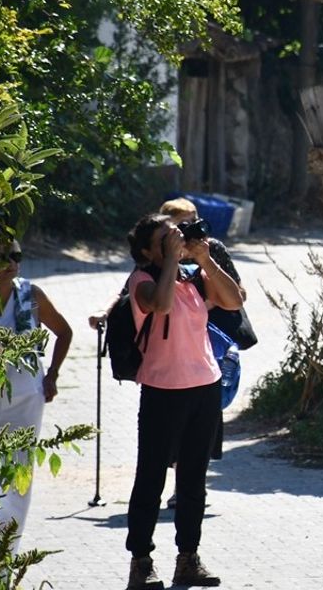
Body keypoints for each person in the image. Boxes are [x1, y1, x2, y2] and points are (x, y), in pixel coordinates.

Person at [123, 213, 244, 589]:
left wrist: (205, 259)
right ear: (146, 251)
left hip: (204, 387)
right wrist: (173, 260)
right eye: (164, 239)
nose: (174, 242)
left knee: (193, 479)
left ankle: (188, 558)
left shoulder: (192, 281)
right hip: (162, 391)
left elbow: (234, 300)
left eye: (175, 237)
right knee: (151, 476)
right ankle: (141, 562)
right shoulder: (141, 281)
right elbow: (158, 306)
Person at [0, 240, 72, 554]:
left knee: (18, 475)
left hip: (26, 397)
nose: (11, 263)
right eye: (3, 256)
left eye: (16, 256)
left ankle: (4, 554)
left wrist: (52, 374)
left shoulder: (31, 294)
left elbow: (64, 331)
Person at [157, 198, 252, 509]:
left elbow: (239, 293)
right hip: (169, 347)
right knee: (170, 421)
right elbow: (138, 287)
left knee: (205, 418)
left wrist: (203, 298)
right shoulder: (158, 251)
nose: (191, 228)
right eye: (183, 223)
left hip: (208, 345)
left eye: (194, 220)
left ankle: (189, 485)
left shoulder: (212, 248)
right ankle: (175, 482)